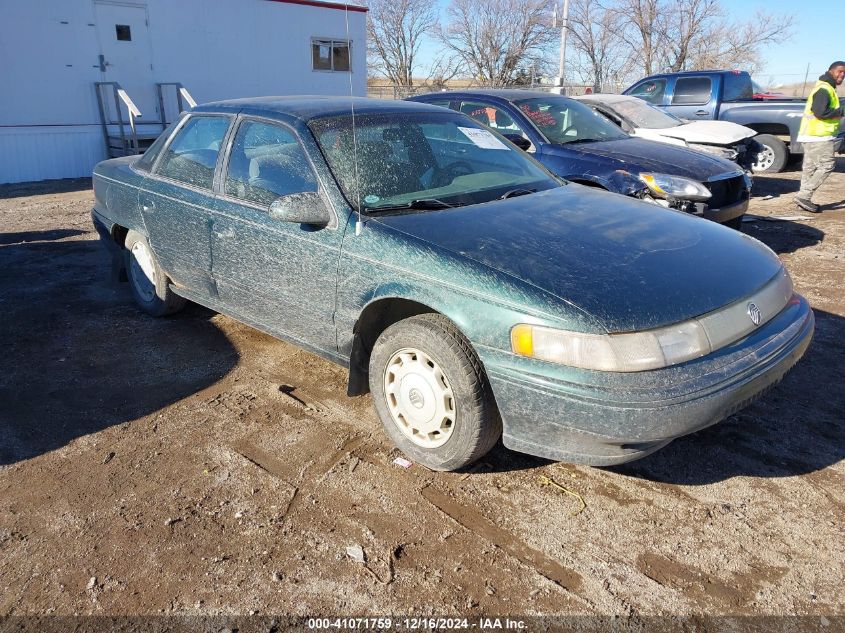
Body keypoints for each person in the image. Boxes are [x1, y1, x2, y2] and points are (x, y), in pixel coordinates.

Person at [795, 61, 845, 213]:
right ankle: (804, 196)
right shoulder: (824, 89)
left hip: (810, 135)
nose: (842, 75)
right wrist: (841, 112)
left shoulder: (824, 87)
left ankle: (803, 200)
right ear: (831, 71)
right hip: (819, 136)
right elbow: (820, 112)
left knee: (809, 169)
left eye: (844, 73)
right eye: (840, 71)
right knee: (827, 166)